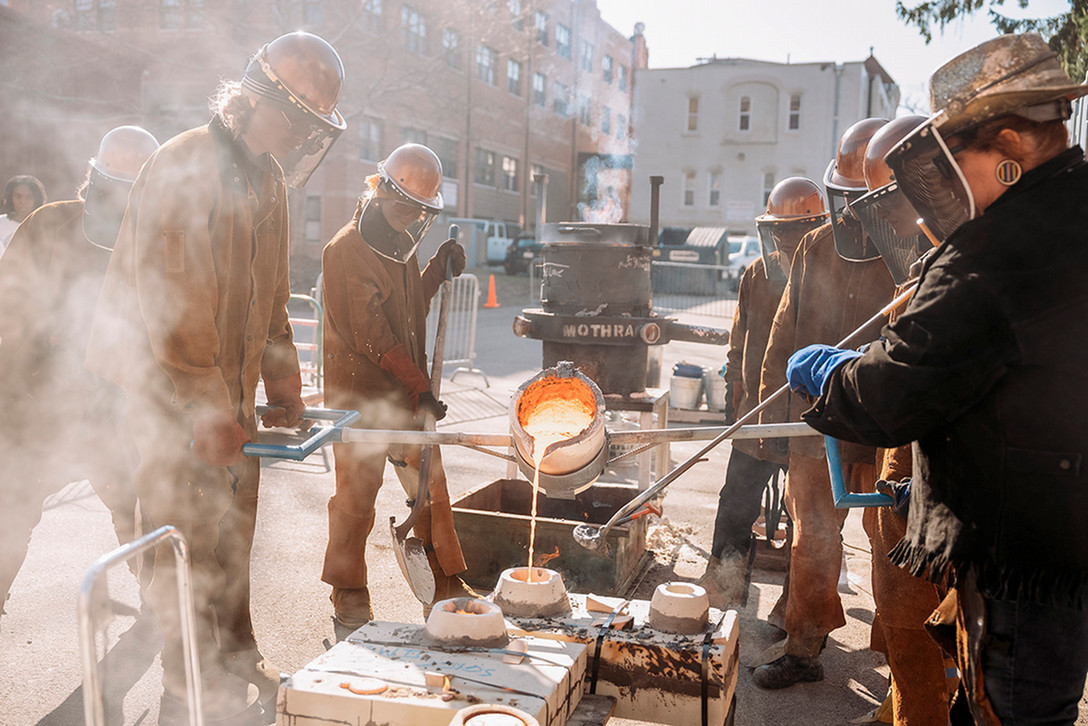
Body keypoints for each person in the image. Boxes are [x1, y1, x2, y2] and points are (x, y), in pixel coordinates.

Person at [787, 33, 1088, 725]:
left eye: (958, 163)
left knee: (1011, 710)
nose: (945, 191)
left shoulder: (1005, 247)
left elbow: (895, 394)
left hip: (1018, 552)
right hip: (1061, 533)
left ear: (1009, 144)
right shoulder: (1071, 212)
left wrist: (831, 374)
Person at [85, 31, 346, 725]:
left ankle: (234, 655)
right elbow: (175, 310)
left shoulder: (269, 182)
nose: (303, 139)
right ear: (262, 103)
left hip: (223, 397)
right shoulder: (187, 165)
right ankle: (185, 689)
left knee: (233, 531)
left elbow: (274, 306)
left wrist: (284, 392)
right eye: (302, 122)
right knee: (183, 541)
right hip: (163, 394)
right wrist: (206, 410)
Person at [751, 117, 897, 689]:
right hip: (819, 419)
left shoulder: (909, 253)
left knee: (893, 540)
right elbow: (783, 337)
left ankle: (901, 648)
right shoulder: (814, 246)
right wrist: (772, 425)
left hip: (889, 418)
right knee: (813, 533)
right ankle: (804, 646)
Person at [0, 126, 158, 620]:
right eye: (111, 190)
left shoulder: (153, 242)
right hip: (36, 404)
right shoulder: (49, 225)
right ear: (91, 179)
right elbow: (9, 312)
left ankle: (156, 600)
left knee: (133, 510)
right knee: (11, 513)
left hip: (115, 408)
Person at [320, 143, 469, 633]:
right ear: (381, 189)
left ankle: (445, 585)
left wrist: (434, 271)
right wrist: (419, 383)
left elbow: (406, 313)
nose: (412, 216)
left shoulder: (401, 245)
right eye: (406, 204)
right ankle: (349, 591)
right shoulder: (345, 250)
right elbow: (371, 333)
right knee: (355, 501)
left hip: (404, 394)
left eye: (421, 211)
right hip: (359, 399)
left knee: (432, 488)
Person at [847, 114, 956, 725]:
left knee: (963, 628)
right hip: (903, 475)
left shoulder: (981, 262)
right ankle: (908, 709)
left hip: (955, 489)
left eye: (891, 202)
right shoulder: (933, 259)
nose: (890, 223)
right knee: (904, 617)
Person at [699, 177, 827, 609]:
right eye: (781, 232)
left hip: (809, 419)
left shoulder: (831, 275)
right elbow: (739, 343)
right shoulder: (757, 274)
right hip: (757, 413)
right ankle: (723, 587)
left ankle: (795, 612)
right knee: (736, 502)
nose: (787, 241)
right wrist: (734, 395)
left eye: (795, 232)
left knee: (806, 521)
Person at [0, 175, 47, 253]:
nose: (23, 201)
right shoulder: (1, 223)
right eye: (18, 196)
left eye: (29, 197)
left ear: (36, 199)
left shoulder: (45, 226)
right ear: (10, 197)